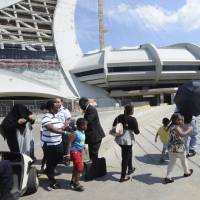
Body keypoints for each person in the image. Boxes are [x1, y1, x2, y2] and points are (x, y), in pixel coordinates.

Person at [41, 99, 67, 189]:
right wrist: (64, 133)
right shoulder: (46, 117)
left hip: (58, 143)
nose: (59, 106)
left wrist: (66, 125)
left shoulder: (56, 117)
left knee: (60, 158)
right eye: (56, 105)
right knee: (51, 162)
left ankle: (48, 169)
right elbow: (51, 128)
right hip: (50, 145)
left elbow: (61, 127)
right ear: (51, 107)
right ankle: (52, 180)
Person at [113, 104, 140, 182]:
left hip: (119, 139)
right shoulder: (133, 119)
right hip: (127, 140)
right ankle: (123, 177)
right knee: (125, 157)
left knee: (129, 153)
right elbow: (137, 132)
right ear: (131, 111)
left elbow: (114, 126)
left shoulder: (119, 117)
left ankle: (130, 168)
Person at [164, 113, 193, 184]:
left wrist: (182, 122)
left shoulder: (171, 126)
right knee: (184, 160)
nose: (181, 121)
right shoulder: (176, 127)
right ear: (175, 120)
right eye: (179, 120)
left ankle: (168, 177)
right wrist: (189, 129)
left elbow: (179, 134)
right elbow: (182, 134)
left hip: (171, 148)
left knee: (171, 162)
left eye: (182, 120)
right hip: (179, 149)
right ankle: (187, 172)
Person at [69, 118, 87, 192]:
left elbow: (82, 141)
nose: (86, 126)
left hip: (79, 152)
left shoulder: (82, 132)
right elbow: (69, 143)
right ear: (80, 125)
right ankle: (76, 184)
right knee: (80, 168)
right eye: (85, 125)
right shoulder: (75, 133)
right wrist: (67, 154)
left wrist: (84, 147)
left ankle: (73, 181)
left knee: (76, 167)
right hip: (74, 152)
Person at [55, 98, 71, 165]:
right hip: (56, 130)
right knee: (58, 145)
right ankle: (60, 158)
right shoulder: (54, 110)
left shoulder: (65, 110)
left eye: (58, 102)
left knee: (66, 145)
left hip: (64, 130)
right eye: (56, 102)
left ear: (62, 103)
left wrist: (62, 128)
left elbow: (68, 120)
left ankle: (67, 159)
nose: (57, 103)